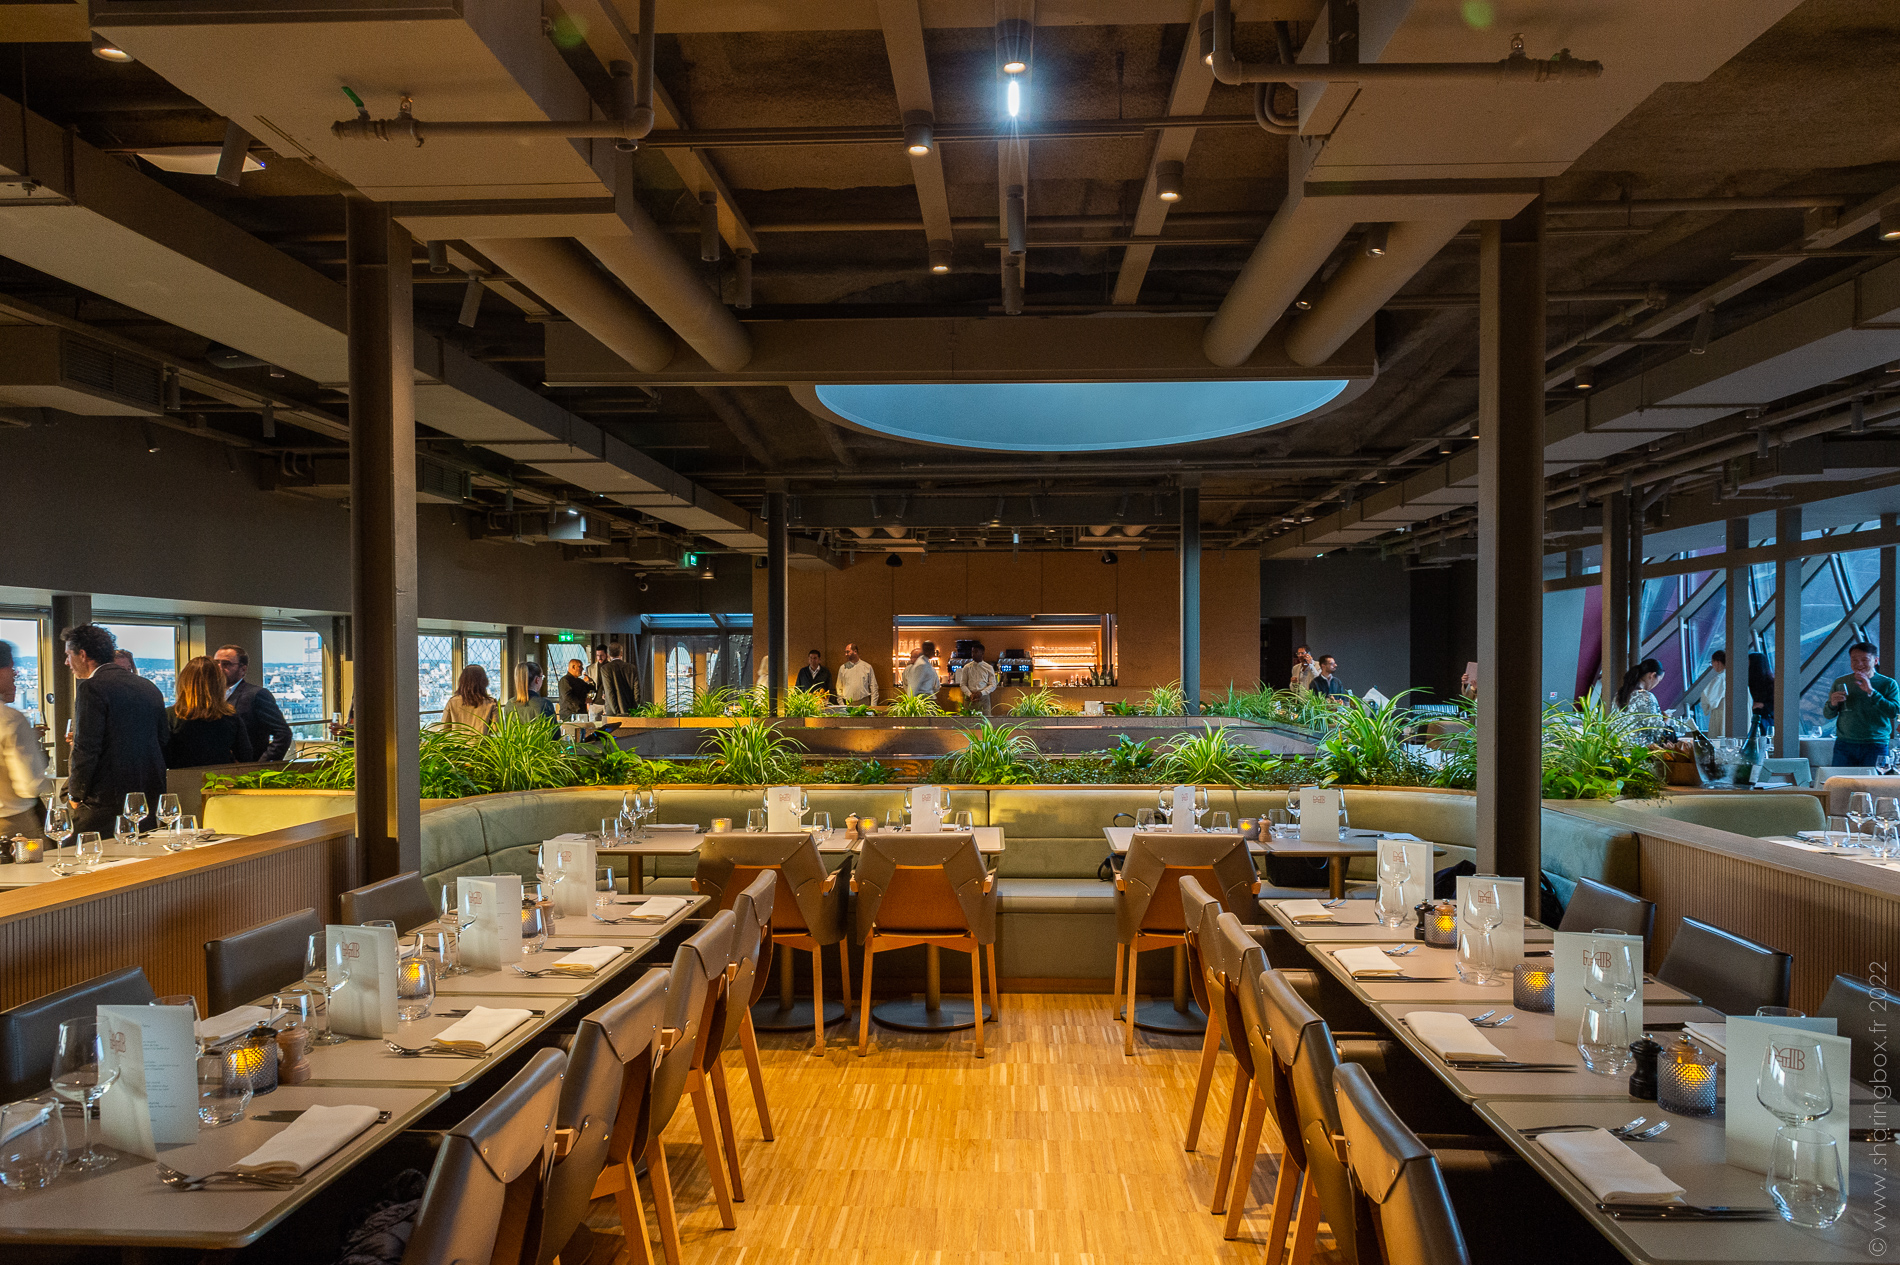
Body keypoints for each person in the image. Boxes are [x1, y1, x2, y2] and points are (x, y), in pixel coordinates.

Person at [63, 624, 168, 835]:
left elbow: (86, 748)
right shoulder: (148, 686)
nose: (66, 662)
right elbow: (163, 740)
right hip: (149, 795)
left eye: (68, 655)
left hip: (105, 799)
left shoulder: (91, 688)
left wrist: (75, 795)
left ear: (82, 655)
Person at [0, 640, 52, 838]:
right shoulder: (9, 719)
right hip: (13, 825)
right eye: (11, 667)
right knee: (34, 866)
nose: (15, 674)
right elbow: (29, 785)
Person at [165, 656, 255, 768]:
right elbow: (245, 756)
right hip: (220, 780)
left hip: (182, 780)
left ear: (183, 681)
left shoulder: (170, 716)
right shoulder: (230, 717)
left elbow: (164, 757)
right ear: (218, 683)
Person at [1823, 641, 1900, 768]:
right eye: (1854, 660)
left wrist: (1871, 692)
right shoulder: (1841, 682)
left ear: (1875, 661)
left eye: (1865, 660)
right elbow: (1828, 714)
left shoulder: (1888, 684)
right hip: (1844, 743)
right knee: (1841, 784)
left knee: (1873, 785)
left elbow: (1894, 712)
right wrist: (1832, 703)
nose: (1859, 664)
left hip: (1876, 743)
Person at [212, 644, 292, 761]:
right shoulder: (210, 696)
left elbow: (283, 733)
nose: (219, 668)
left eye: (226, 664)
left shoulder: (256, 695)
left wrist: (261, 765)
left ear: (243, 669)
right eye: (216, 663)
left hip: (247, 770)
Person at [1614, 657, 1671, 745]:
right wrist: (1667, 719)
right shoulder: (1645, 697)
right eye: (1658, 680)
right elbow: (1659, 733)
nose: (1657, 684)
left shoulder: (1619, 695)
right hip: (1640, 754)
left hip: (1618, 751)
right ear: (1652, 675)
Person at [441, 665, 497, 732]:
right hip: (482, 742)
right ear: (484, 682)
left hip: (458, 742)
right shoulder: (491, 703)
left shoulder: (452, 702)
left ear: (462, 681)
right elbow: (496, 730)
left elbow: (444, 729)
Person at [593, 641, 640, 715]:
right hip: (630, 709)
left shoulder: (606, 668)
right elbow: (637, 691)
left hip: (612, 711)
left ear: (608, 654)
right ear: (621, 653)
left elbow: (609, 691)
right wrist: (634, 709)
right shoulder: (632, 668)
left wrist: (616, 712)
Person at [954, 645, 999, 716]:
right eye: (972, 652)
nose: (973, 654)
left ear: (982, 653)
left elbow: (993, 685)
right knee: (968, 722)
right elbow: (963, 684)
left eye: (976, 652)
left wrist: (981, 693)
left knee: (985, 721)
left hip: (983, 698)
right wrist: (970, 694)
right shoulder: (967, 667)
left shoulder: (988, 668)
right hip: (970, 698)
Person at [836, 642, 877, 707]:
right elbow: (839, 688)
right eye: (845, 652)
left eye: (848, 652)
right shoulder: (843, 668)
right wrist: (842, 705)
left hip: (864, 703)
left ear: (855, 651)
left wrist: (873, 706)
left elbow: (874, 687)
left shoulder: (867, 667)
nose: (845, 654)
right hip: (848, 703)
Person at [1701, 650, 1730, 738]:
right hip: (1733, 715)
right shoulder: (1734, 677)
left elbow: (1708, 698)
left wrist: (1706, 707)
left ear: (1717, 662)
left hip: (1721, 714)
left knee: (1719, 740)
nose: (1713, 666)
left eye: (1712, 662)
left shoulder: (1720, 678)